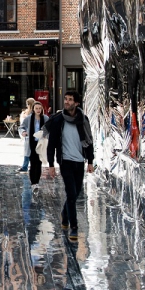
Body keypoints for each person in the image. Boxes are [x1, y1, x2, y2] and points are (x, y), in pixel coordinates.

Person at [45, 91, 94, 242]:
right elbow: (51, 143)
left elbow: (89, 141)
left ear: (77, 103)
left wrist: (90, 161)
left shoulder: (83, 120)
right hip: (65, 161)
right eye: (65, 99)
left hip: (79, 162)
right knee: (71, 194)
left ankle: (65, 215)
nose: (66, 102)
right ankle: (74, 227)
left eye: (70, 100)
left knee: (76, 193)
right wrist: (51, 164)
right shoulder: (58, 120)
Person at [21, 101, 49, 191]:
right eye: (36, 108)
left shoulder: (45, 118)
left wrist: (45, 134)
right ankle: (33, 182)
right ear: (33, 109)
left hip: (41, 143)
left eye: (40, 108)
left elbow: (50, 128)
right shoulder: (29, 118)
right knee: (33, 163)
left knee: (39, 163)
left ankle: (36, 182)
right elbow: (21, 127)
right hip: (32, 143)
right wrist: (23, 132)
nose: (38, 110)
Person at [16, 97, 36, 172]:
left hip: (31, 135)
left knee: (29, 151)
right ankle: (27, 166)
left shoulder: (32, 113)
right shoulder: (27, 112)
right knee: (28, 151)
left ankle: (26, 167)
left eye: (27, 104)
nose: (26, 105)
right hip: (27, 135)